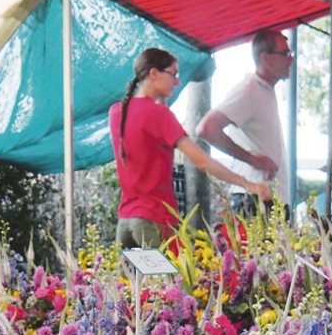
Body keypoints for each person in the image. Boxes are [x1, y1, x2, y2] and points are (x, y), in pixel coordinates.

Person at [110, 48, 270, 248]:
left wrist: (160, 100)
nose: (177, 82)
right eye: (173, 74)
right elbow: (202, 161)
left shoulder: (117, 112)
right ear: (153, 73)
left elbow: (146, 142)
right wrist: (249, 185)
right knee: (169, 279)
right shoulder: (159, 116)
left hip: (126, 224)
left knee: (133, 280)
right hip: (153, 223)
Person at [197, 29, 292, 213]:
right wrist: (252, 159)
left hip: (266, 197)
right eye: (285, 54)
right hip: (255, 198)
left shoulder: (264, 90)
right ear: (266, 58)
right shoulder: (249, 89)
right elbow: (207, 128)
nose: (291, 59)